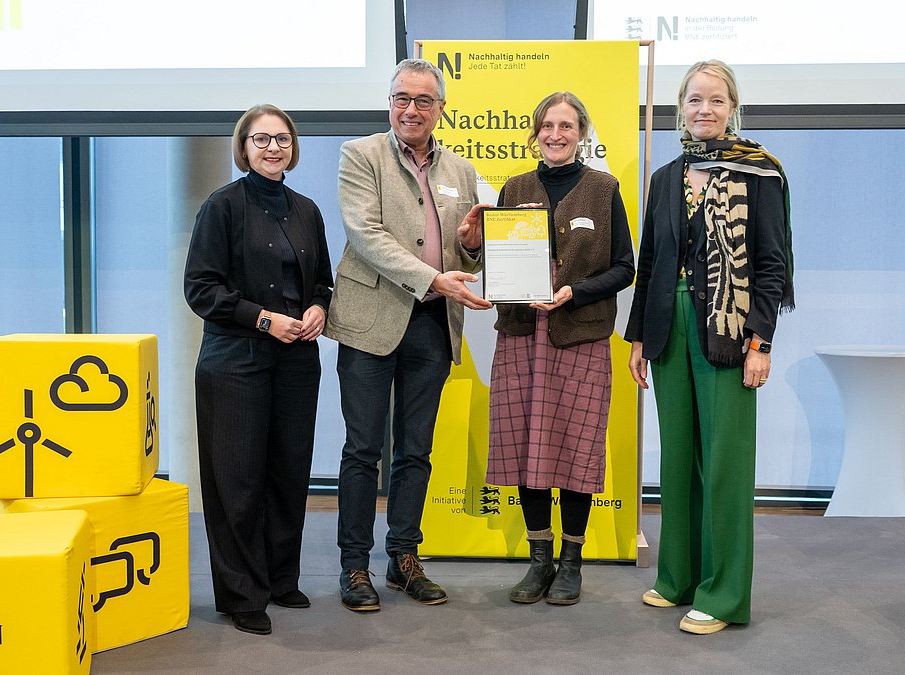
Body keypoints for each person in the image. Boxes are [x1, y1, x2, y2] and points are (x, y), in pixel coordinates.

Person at [625, 60, 795, 635]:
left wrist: (761, 343)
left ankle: (722, 595)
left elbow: (771, 267)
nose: (705, 109)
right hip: (668, 328)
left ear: (733, 108)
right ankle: (679, 577)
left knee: (723, 464)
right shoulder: (666, 177)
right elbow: (651, 262)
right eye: (695, 99)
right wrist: (639, 337)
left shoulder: (760, 173)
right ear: (681, 108)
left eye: (716, 100)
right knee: (677, 459)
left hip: (729, 330)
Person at [325, 58, 492, 612]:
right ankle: (354, 564)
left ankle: (403, 558)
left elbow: (465, 251)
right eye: (402, 98)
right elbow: (365, 234)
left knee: (416, 449)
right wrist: (434, 278)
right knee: (362, 449)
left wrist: (470, 245)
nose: (411, 109)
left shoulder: (462, 170)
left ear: (441, 109)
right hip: (370, 320)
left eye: (423, 100)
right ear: (389, 102)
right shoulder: (360, 155)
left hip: (433, 324)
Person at [183, 104, 334, 635]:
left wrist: (318, 308)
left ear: (294, 147)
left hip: (296, 359)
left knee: (288, 473)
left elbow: (322, 282)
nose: (274, 148)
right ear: (243, 147)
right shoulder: (221, 206)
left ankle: (278, 579)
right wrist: (264, 319)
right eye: (262, 139)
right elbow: (200, 290)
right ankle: (241, 594)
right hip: (235, 359)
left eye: (282, 139)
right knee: (237, 481)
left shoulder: (307, 209)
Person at [486, 92, 634, 606]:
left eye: (566, 126)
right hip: (521, 334)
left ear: (582, 133)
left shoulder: (603, 189)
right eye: (547, 125)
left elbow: (625, 267)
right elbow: (497, 261)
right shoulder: (514, 189)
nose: (555, 134)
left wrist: (576, 292)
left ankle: (571, 562)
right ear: (535, 133)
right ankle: (539, 561)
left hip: (580, 334)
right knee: (526, 447)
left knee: (575, 448)